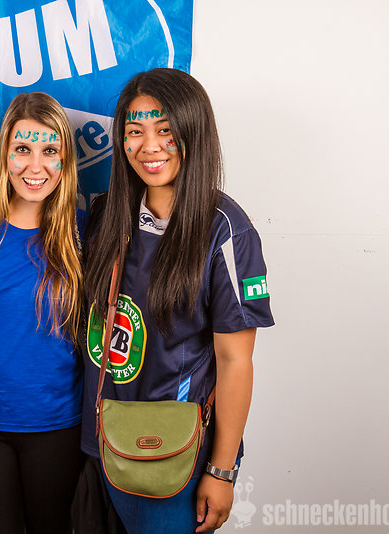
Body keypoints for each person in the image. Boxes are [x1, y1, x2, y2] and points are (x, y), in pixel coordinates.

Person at [81, 68, 274, 533]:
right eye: (135, 131)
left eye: (165, 130)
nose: (149, 146)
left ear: (194, 131)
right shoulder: (106, 213)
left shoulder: (226, 230)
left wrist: (222, 471)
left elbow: (235, 361)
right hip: (99, 443)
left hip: (172, 455)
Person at [0, 92, 85, 534]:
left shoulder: (84, 232)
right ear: (5, 155)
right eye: (23, 149)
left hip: (59, 425)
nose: (35, 166)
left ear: (65, 161)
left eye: (50, 151)